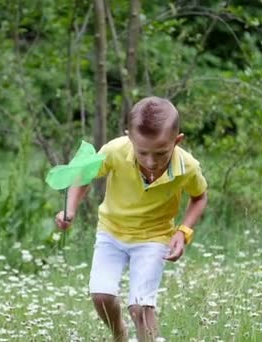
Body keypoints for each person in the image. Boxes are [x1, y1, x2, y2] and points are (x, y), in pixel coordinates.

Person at [54, 96, 208, 341]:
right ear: (130, 138)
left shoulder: (187, 166)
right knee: (101, 295)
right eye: (142, 151)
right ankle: (120, 335)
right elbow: (83, 175)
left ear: (177, 141)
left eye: (161, 153)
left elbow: (199, 197)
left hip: (154, 237)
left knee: (140, 306)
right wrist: (70, 210)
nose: (151, 161)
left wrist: (183, 231)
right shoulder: (114, 151)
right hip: (111, 232)